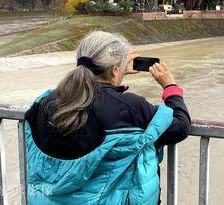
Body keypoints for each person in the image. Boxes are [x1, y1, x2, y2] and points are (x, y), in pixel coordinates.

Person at [24, 31, 191, 204]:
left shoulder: (44, 102)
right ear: (114, 69)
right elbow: (180, 127)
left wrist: (115, 75)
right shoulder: (129, 106)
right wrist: (170, 87)